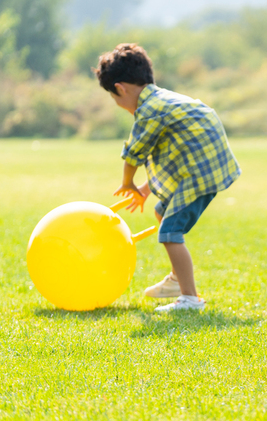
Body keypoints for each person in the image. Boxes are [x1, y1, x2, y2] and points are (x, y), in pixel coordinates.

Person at [95, 43, 241, 312]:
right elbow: (177, 155)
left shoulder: (149, 109)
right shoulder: (162, 100)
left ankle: (189, 299)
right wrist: (145, 189)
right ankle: (177, 279)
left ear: (120, 89)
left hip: (200, 173)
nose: (120, 106)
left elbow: (134, 152)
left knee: (170, 233)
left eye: (116, 100)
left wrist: (127, 182)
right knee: (163, 213)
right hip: (202, 165)